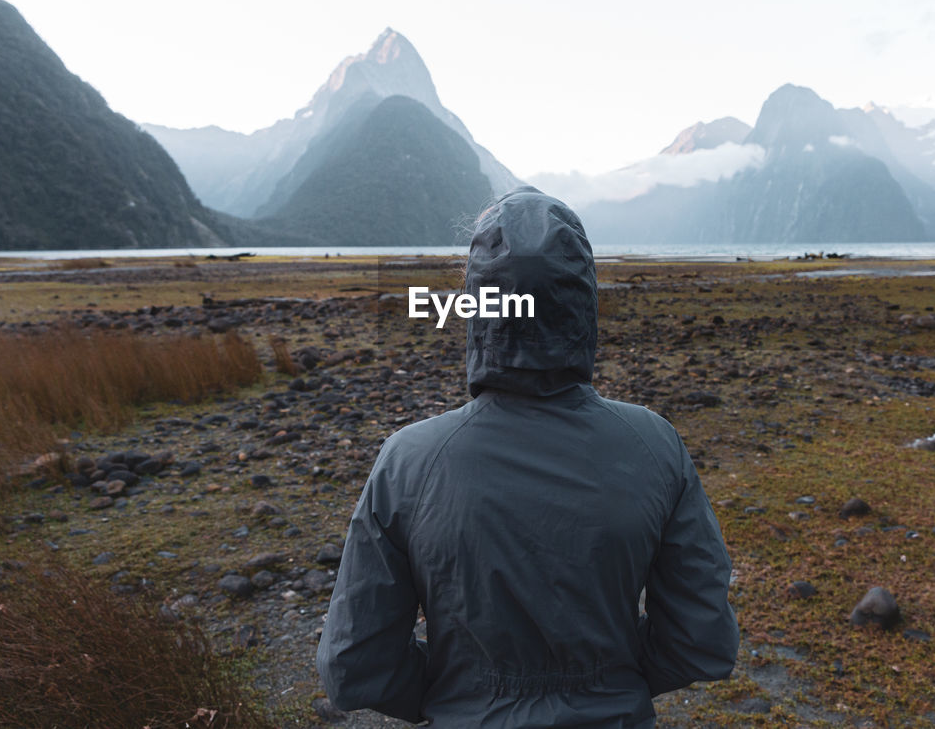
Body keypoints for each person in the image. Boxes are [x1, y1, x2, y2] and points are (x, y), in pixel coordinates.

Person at [317, 186, 739, 727]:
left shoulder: (409, 461)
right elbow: (702, 642)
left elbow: (353, 667)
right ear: (583, 303)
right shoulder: (654, 446)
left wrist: (453, 693)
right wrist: (609, 683)